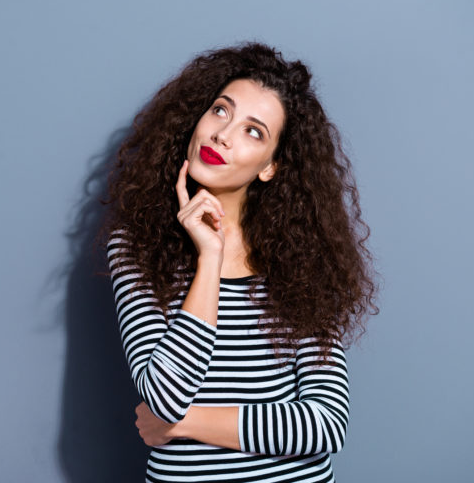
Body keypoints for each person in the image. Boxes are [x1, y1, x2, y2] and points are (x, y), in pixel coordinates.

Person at [100, 42, 378, 483]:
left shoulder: (302, 264)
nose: (223, 135)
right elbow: (165, 397)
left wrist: (186, 424)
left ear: (270, 167)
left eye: (254, 131)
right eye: (220, 111)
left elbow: (325, 424)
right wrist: (209, 259)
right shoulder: (137, 248)